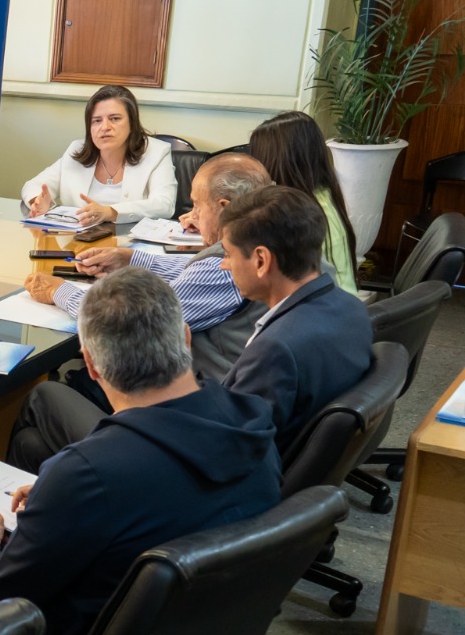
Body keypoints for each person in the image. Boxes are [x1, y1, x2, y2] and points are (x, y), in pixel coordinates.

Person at [0, 267, 281, 635]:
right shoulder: (253, 422)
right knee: (27, 450)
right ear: (186, 338)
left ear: (90, 364)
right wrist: (60, 495)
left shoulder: (90, 470)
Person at [21, 153, 272, 388]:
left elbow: (131, 322)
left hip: (195, 400)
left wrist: (60, 292)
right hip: (200, 388)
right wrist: (130, 260)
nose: (192, 216)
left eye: (197, 205)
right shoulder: (257, 241)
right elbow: (194, 270)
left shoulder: (231, 266)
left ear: (224, 208)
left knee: (53, 394)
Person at [219, 185, 373, 448]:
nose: (224, 264)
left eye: (227, 253)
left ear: (261, 261)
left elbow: (231, 448)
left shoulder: (275, 350)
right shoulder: (352, 308)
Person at [20, 84, 176, 226]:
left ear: (132, 123)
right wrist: (39, 202)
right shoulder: (76, 150)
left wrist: (110, 212)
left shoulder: (156, 152)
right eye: (96, 121)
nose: (105, 127)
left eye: (115, 119)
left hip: (129, 247)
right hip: (77, 245)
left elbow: (164, 205)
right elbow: (32, 186)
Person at [249, 110, 360, 295]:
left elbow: (255, 271)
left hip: (322, 314)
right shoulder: (322, 198)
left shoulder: (297, 217)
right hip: (339, 308)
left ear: (276, 162)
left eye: (257, 158)